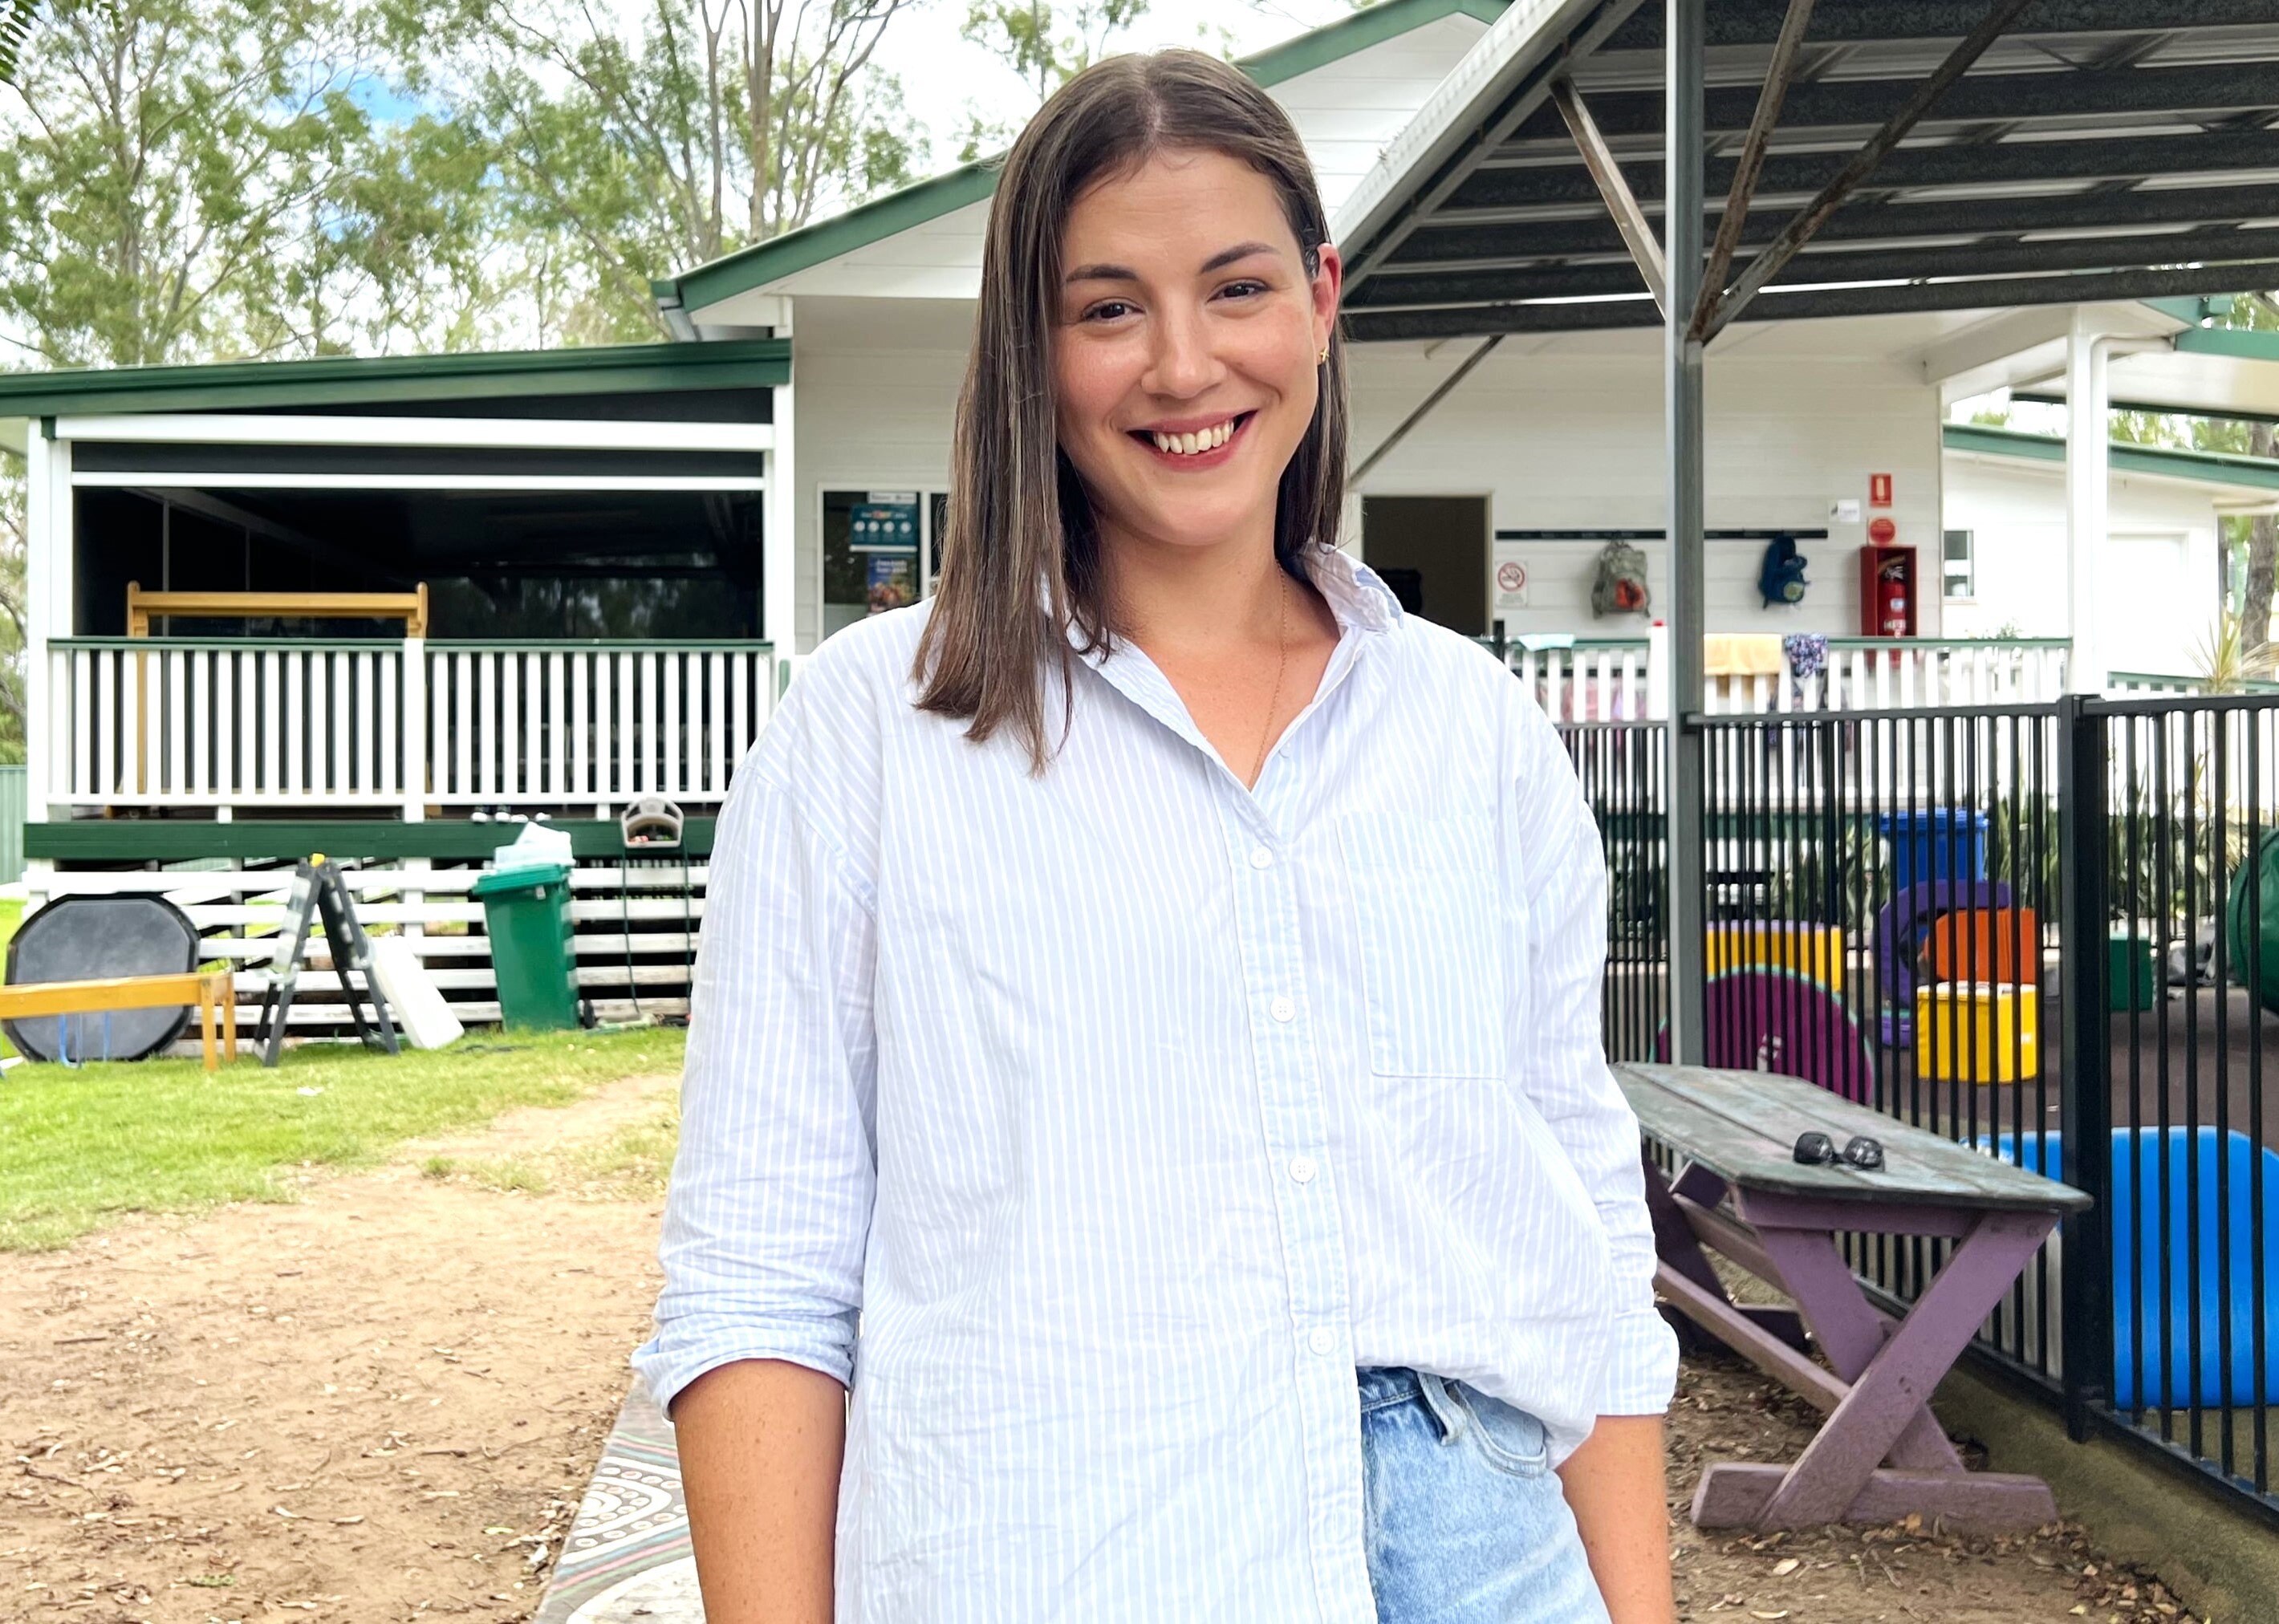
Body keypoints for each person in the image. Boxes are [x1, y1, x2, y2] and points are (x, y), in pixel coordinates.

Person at [634, 48, 1679, 1624]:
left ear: (1321, 300)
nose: (1184, 365)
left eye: (1237, 287)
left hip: (1489, 1549)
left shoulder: (1469, 728)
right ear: (1033, 354)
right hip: (1061, 1552)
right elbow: (762, 1280)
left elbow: (1577, 1228)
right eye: (1108, 307)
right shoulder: (871, 732)